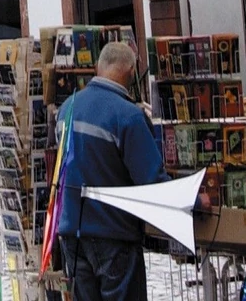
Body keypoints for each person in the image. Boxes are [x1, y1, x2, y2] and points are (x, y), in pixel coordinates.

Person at [55, 41, 166, 301]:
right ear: (131, 71)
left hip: (73, 232)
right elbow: (152, 182)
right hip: (114, 234)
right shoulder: (127, 116)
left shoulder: (66, 109)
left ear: (98, 67)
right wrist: (194, 200)